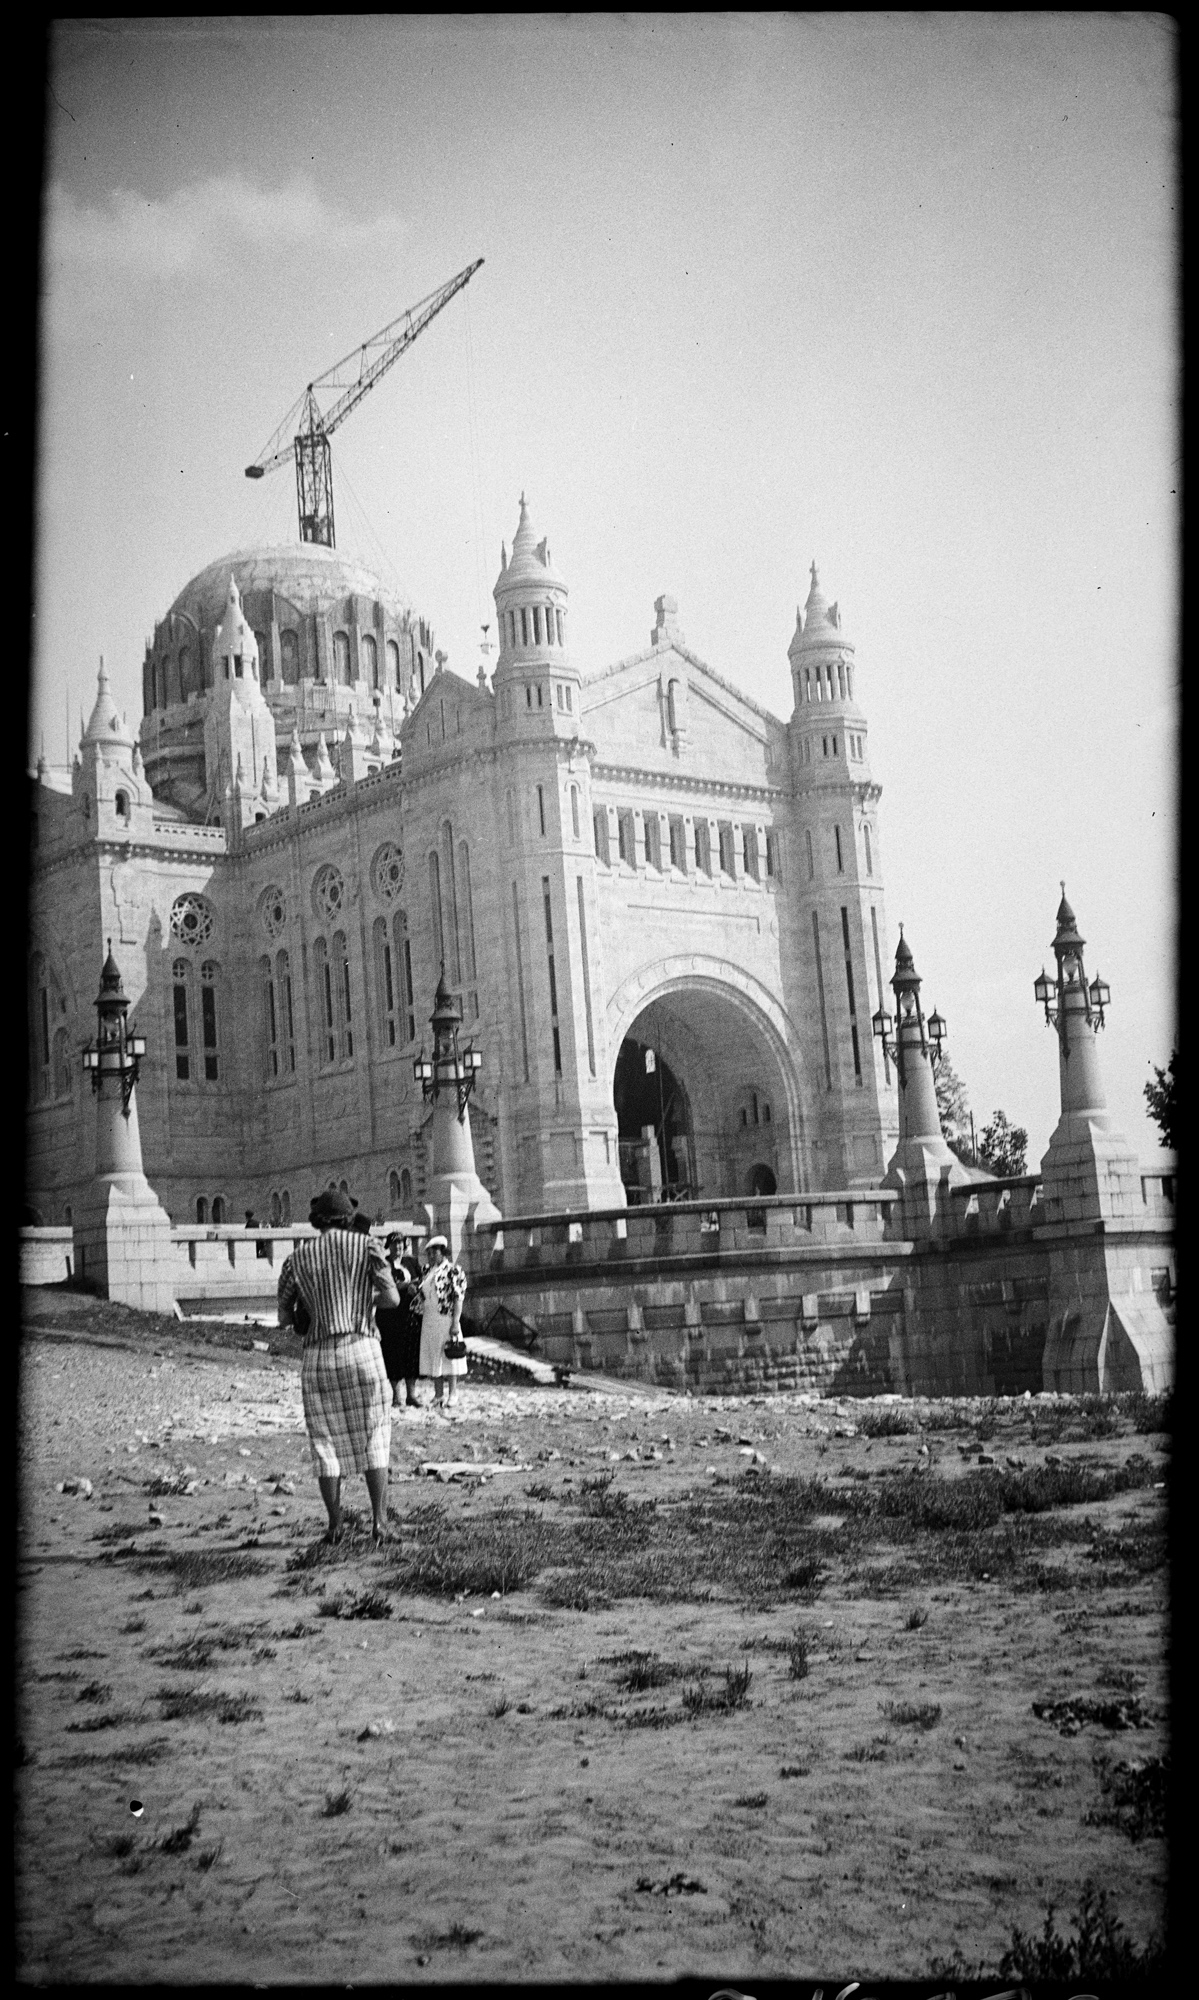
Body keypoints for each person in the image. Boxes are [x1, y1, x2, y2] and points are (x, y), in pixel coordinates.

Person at [277, 1188, 400, 1545]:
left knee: (325, 1442)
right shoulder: (368, 1247)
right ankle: (379, 1522)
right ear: (349, 1217)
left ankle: (335, 1526)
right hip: (362, 1347)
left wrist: (310, 1308)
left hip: (319, 1355)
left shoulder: (297, 1258)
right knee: (375, 1434)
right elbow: (392, 1298)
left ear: (316, 1221)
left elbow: (285, 1317)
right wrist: (362, 1298)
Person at [417, 1235, 468, 1411]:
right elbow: (423, 1294)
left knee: (449, 1355)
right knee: (433, 1355)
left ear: (442, 1252)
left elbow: (458, 1297)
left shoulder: (453, 1270)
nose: (431, 1256)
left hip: (445, 1318)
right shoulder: (426, 1271)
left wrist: (456, 1322)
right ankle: (438, 1394)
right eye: (429, 1253)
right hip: (429, 1318)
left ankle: (453, 1393)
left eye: (434, 1252)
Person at [376, 1233, 423, 1410]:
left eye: (401, 1244)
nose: (398, 1248)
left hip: (409, 1314)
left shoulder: (411, 1263)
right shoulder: (384, 1264)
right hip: (390, 1315)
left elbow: (422, 1280)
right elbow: (383, 1285)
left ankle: (411, 1394)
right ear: (389, 1246)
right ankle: (396, 1395)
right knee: (393, 1353)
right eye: (395, 1245)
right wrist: (403, 1286)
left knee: (411, 1353)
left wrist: (418, 1286)